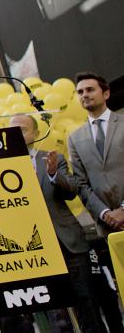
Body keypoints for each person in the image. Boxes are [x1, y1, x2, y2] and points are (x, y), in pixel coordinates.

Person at [10, 114, 106, 333]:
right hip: (33, 250)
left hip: (68, 242)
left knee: (87, 301)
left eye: (23, 129)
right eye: (12, 130)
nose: (17, 134)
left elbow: (72, 191)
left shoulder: (52, 159)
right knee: (56, 311)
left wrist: (53, 173)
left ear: (34, 133)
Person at [69, 73, 124, 235]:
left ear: (106, 94)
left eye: (90, 90)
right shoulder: (74, 138)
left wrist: (123, 210)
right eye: (80, 92)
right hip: (108, 226)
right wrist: (105, 214)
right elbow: (81, 183)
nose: (84, 95)